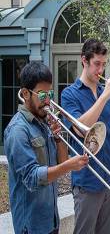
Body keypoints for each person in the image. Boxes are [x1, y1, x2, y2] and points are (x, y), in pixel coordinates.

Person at [4, 61, 89, 234]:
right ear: (25, 94)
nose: (48, 100)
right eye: (42, 95)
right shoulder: (18, 131)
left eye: (50, 93)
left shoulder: (44, 123)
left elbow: (62, 161)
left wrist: (58, 138)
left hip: (51, 220)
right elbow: (32, 178)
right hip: (31, 225)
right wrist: (69, 166)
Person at [61, 38, 110, 234]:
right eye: (97, 64)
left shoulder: (104, 92)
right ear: (84, 61)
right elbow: (82, 128)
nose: (101, 70)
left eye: (104, 64)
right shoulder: (69, 94)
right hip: (88, 180)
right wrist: (106, 96)